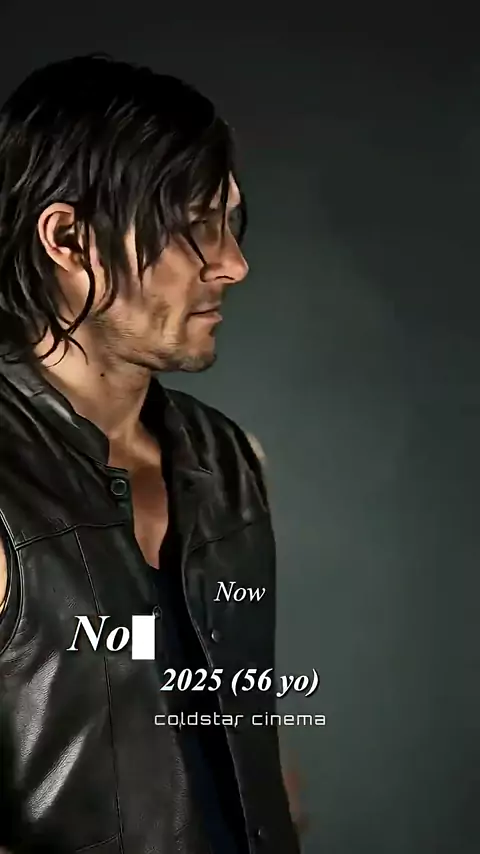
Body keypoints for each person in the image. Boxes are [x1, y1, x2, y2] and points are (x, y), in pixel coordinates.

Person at [0, 55, 301, 854]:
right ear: (69, 240)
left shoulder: (232, 463)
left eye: (230, 221)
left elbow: (252, 752)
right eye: (194, 226)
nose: (233, 262)